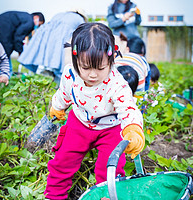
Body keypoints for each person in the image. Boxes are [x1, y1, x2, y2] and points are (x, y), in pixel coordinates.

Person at [44, 22, 145, 199]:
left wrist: (133, 128)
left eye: (100, 68)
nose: (92, 75)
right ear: (75, 59)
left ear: (111, 60)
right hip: (79, 123)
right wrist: (57, 107)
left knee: (110, 167)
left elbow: (128, 108)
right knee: (63, 161)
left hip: (111, 128)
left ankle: (107, 195)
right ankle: (54, 195)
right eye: (85, 67)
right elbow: (65, 92)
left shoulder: (116, 84)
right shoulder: (70, 73)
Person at [18, 10, 87, 84]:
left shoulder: (59, 14)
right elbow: (83, 34)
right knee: (61, 65)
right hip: (63, 41)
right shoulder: (79, 19)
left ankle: (48, 79)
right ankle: (60, 87)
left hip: (48, 41)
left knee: (49, 63)